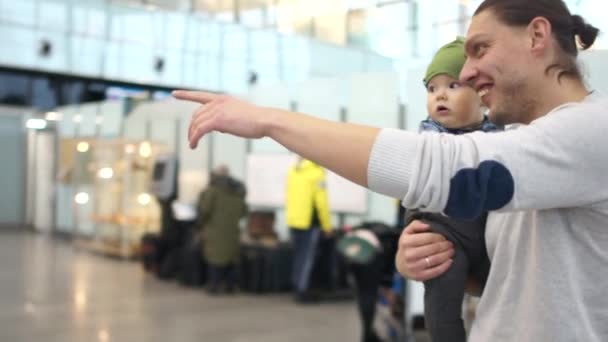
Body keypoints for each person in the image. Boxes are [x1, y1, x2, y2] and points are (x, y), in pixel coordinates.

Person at [173, 1, 608, 340]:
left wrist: (271, 121)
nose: (470, 72)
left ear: (536, 35)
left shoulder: (593, 129)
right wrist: (432, 258)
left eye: (480, 49)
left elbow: (443, 167)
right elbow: (526, 283)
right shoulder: (523, 143)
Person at [405, 37, 501, 342]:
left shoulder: (500, 137)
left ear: (481, 95)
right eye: (432, 89)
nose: (439, 96)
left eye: (453, 86)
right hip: (444, 236)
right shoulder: (427, 140)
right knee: (442, 307)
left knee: (506, 292)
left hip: (487, 234)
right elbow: (412, 187)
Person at [286, 157, 332, 302]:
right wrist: (327, 226)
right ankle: (302, 291)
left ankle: (296, 286)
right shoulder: (317, 173)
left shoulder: (294, 171)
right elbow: (321, 203)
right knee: (307, 259)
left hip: (294, 221)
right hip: (309, 223)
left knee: (298, 256)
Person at [196, 165, 247, 294]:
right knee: (231, 258)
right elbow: (244, 212)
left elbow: (205, 210)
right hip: (232, 231)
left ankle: (214, 285)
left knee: (215, 258)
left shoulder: (212, 190)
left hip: (215, 230)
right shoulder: (238, 190)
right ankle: (230, 286)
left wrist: (200, 224)